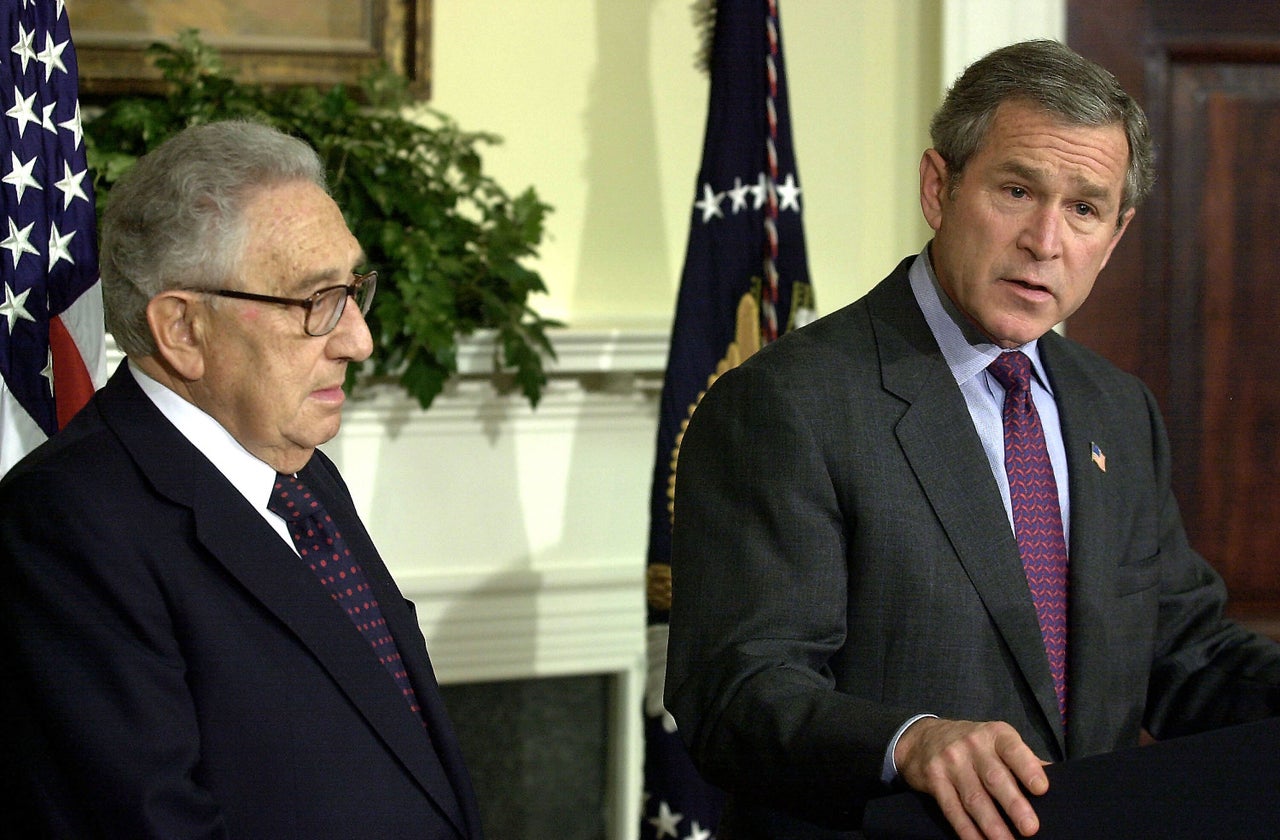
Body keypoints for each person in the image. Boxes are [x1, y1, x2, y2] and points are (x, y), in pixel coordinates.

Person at [664, 39, 1280, 840]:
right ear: (939, 186)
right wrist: (908, 742)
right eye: (1017, 190)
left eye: (1085, 208)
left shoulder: (1117, 409)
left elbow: (1184, 651)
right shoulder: (788, 404)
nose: (1045, 240)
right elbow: (736, 691)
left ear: (1116, 235)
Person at [0, 121, 483, 838]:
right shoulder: (64, 524)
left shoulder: (300, 475)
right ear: (183, 331)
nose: (358, 339)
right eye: (315, 302)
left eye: (354, 290)